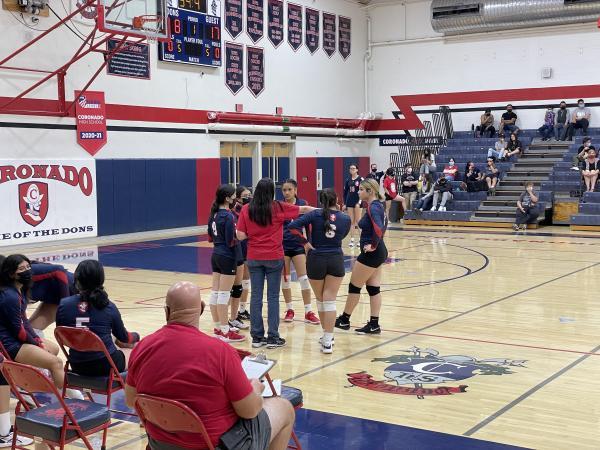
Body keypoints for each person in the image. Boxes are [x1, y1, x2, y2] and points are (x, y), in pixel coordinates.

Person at [125, 281, 295, 450]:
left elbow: (131, 400)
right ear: (201, 308)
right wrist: (256, 389)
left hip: (160, 445)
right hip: (215, 445)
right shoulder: (221, 352)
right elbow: (249, 411)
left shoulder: (142, 348)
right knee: (284, 408)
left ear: (166, 311)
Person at [236, 178, 314, 349]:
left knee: (256, 297)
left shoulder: (247, 209)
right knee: (273, 297)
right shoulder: (278, 207)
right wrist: (329, 211)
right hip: (274, 256)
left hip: (254, 257)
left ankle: (257, 337)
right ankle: (273, 337)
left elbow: (240, 235)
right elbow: (304, 210)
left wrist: (254, 234)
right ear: (272, 191)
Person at [0, 254, 83, 400]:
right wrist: (35, 343)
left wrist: (37, 340)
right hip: (11, 345)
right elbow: (18, 331)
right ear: (10, 273)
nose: (27, 271)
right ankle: (73, 400)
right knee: (56, 363)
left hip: (15, 339)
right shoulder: (10, 296)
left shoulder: (19, 290)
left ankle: (33, 381)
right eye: (22, 268)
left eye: (28, 267)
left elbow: (24, 322)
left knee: (54, 349)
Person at [288, 189, 351, 354]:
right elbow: (342, 234)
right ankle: (328, 340)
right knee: (330, 300)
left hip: (316, 258)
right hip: (336, 258)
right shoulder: (345, 218)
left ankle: (326, 337)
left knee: (321, 300)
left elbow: (292, 227)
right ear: (336, 199)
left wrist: (305, 243)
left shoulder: (314, 215)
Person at [56, 260, 140, 376]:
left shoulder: (64, 304)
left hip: (77, 365)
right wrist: (136, 336)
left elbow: (62, 336)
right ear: (101, 280)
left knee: (110, 339)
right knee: (135, 351)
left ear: (77, 280)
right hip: (105, 365)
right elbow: (125, 337)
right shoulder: (108, 307)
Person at [335, 178, 388, 335]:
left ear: (370, 191)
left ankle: (344, 320)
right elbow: (382, 227)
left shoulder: (374, 207)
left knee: (354, 286)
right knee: (373, 289)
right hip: (379, 251)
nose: (358, 192)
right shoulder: (378, 206)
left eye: (361, 190)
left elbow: (378, 228)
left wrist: (373, 245)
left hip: (372, 253)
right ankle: (374, 324)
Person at [0, 257, 34, 449]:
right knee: (2, 372)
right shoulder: (9, 296)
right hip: (8, 346)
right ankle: (3, 433)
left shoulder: (12, 294)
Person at [208, 184, 246, 343]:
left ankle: (218, 327)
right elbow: (232, 240)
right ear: (227, 198)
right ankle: (225, 330)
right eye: (232, 196)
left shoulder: (214, 214)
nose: (235, 198)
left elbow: (210, 237)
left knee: (215, 293)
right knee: (224, 294)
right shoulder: (228, 216)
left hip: (216, 254)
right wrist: (244, 235)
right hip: (227, 256)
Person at [280, 179, 319, 325]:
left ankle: (308, 311)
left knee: (303, 279)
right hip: (283, 247)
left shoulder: (302, 204)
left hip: (298, 246)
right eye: (284, 190)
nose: (287, 193)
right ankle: (290, 310)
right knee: (285, 280)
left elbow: (308, 226)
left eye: (289, 189)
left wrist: (308, 244)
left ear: (295, 190)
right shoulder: (279, 205)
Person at [27, 262, 77, 331]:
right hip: (52, 298)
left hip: (71, 289)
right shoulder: (10, 292)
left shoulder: (25, 272)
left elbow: (59, 270)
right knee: (31, 331)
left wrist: (65, 303)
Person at [229, 185, 252, 328]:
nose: (248, 197)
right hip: (236, 253)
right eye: (245, 195)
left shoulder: (249, 211)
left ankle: (242, 310)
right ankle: (228, 316)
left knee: (245, 281)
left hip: (247, 250)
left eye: (249, 194)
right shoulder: (233, 213)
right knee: (233, 285)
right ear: (237, 197)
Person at [342, 164, 364, 248]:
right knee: (351, 221)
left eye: (354, 168)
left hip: (358, 202)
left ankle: (361, 240)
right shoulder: (348, 180)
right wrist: (345, 203)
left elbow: (363, 191)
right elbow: (345, 193)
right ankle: (352, 239)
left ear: (357, 170)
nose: (352, 169)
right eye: (351, 168)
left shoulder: (361, 179)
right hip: (349, 202)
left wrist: (359, 202)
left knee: (358, 221)